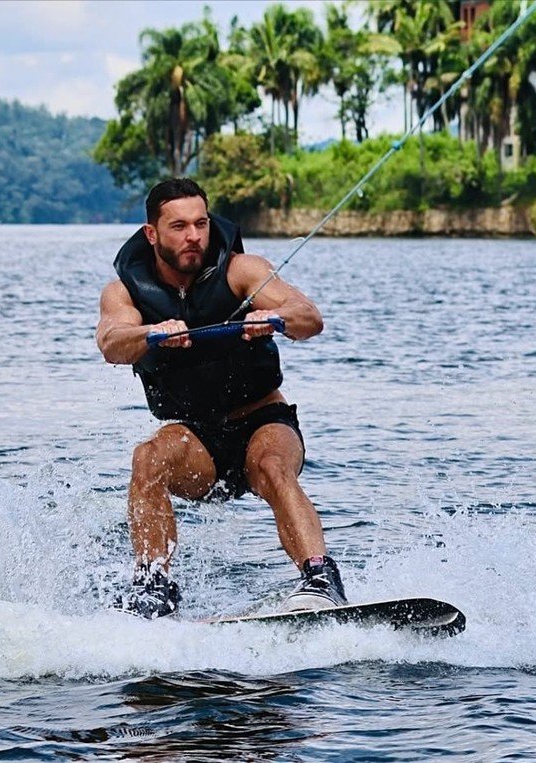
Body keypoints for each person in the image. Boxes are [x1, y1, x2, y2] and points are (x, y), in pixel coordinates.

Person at [96, 177, 347, 619]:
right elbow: (112, 342)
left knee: (271, 466)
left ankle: (321, 578)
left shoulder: (242, 270)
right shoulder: (125, 292)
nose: (193, 236)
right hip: (195, 439)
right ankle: (154, 586)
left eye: (200, 223)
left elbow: (310, 317)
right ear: (152, 234)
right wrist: (150, 334)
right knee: (147, 459)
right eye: (178, 226)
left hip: (262, 420)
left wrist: (277, 318)